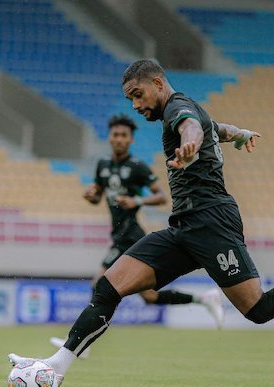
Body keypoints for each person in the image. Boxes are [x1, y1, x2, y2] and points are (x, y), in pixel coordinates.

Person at [9, 59, 274, 386]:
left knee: (259, 309)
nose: (136, 105)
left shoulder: (178, 110)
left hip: (213, 222)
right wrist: (239, 135)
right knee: (109, 287)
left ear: (158, 83)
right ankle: (54, 369)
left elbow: (193, 127)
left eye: (138, 95)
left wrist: (189, 145)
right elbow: (211, 126)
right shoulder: (185, 109)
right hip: (184, 226)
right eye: (130, 100)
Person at [49, 114, 224, 357]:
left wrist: (137, 200)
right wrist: (91, 196)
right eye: (115, 135)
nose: (119, 139)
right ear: (109, 137)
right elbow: (98, 194)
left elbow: (162, 196)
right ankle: (204, 299)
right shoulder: (103, 166)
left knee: (99, 283)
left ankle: (81, 346)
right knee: (150, 298)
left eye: (124, 136)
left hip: (130, 236)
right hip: (118, 235)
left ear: (130, 140)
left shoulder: (137, 167)